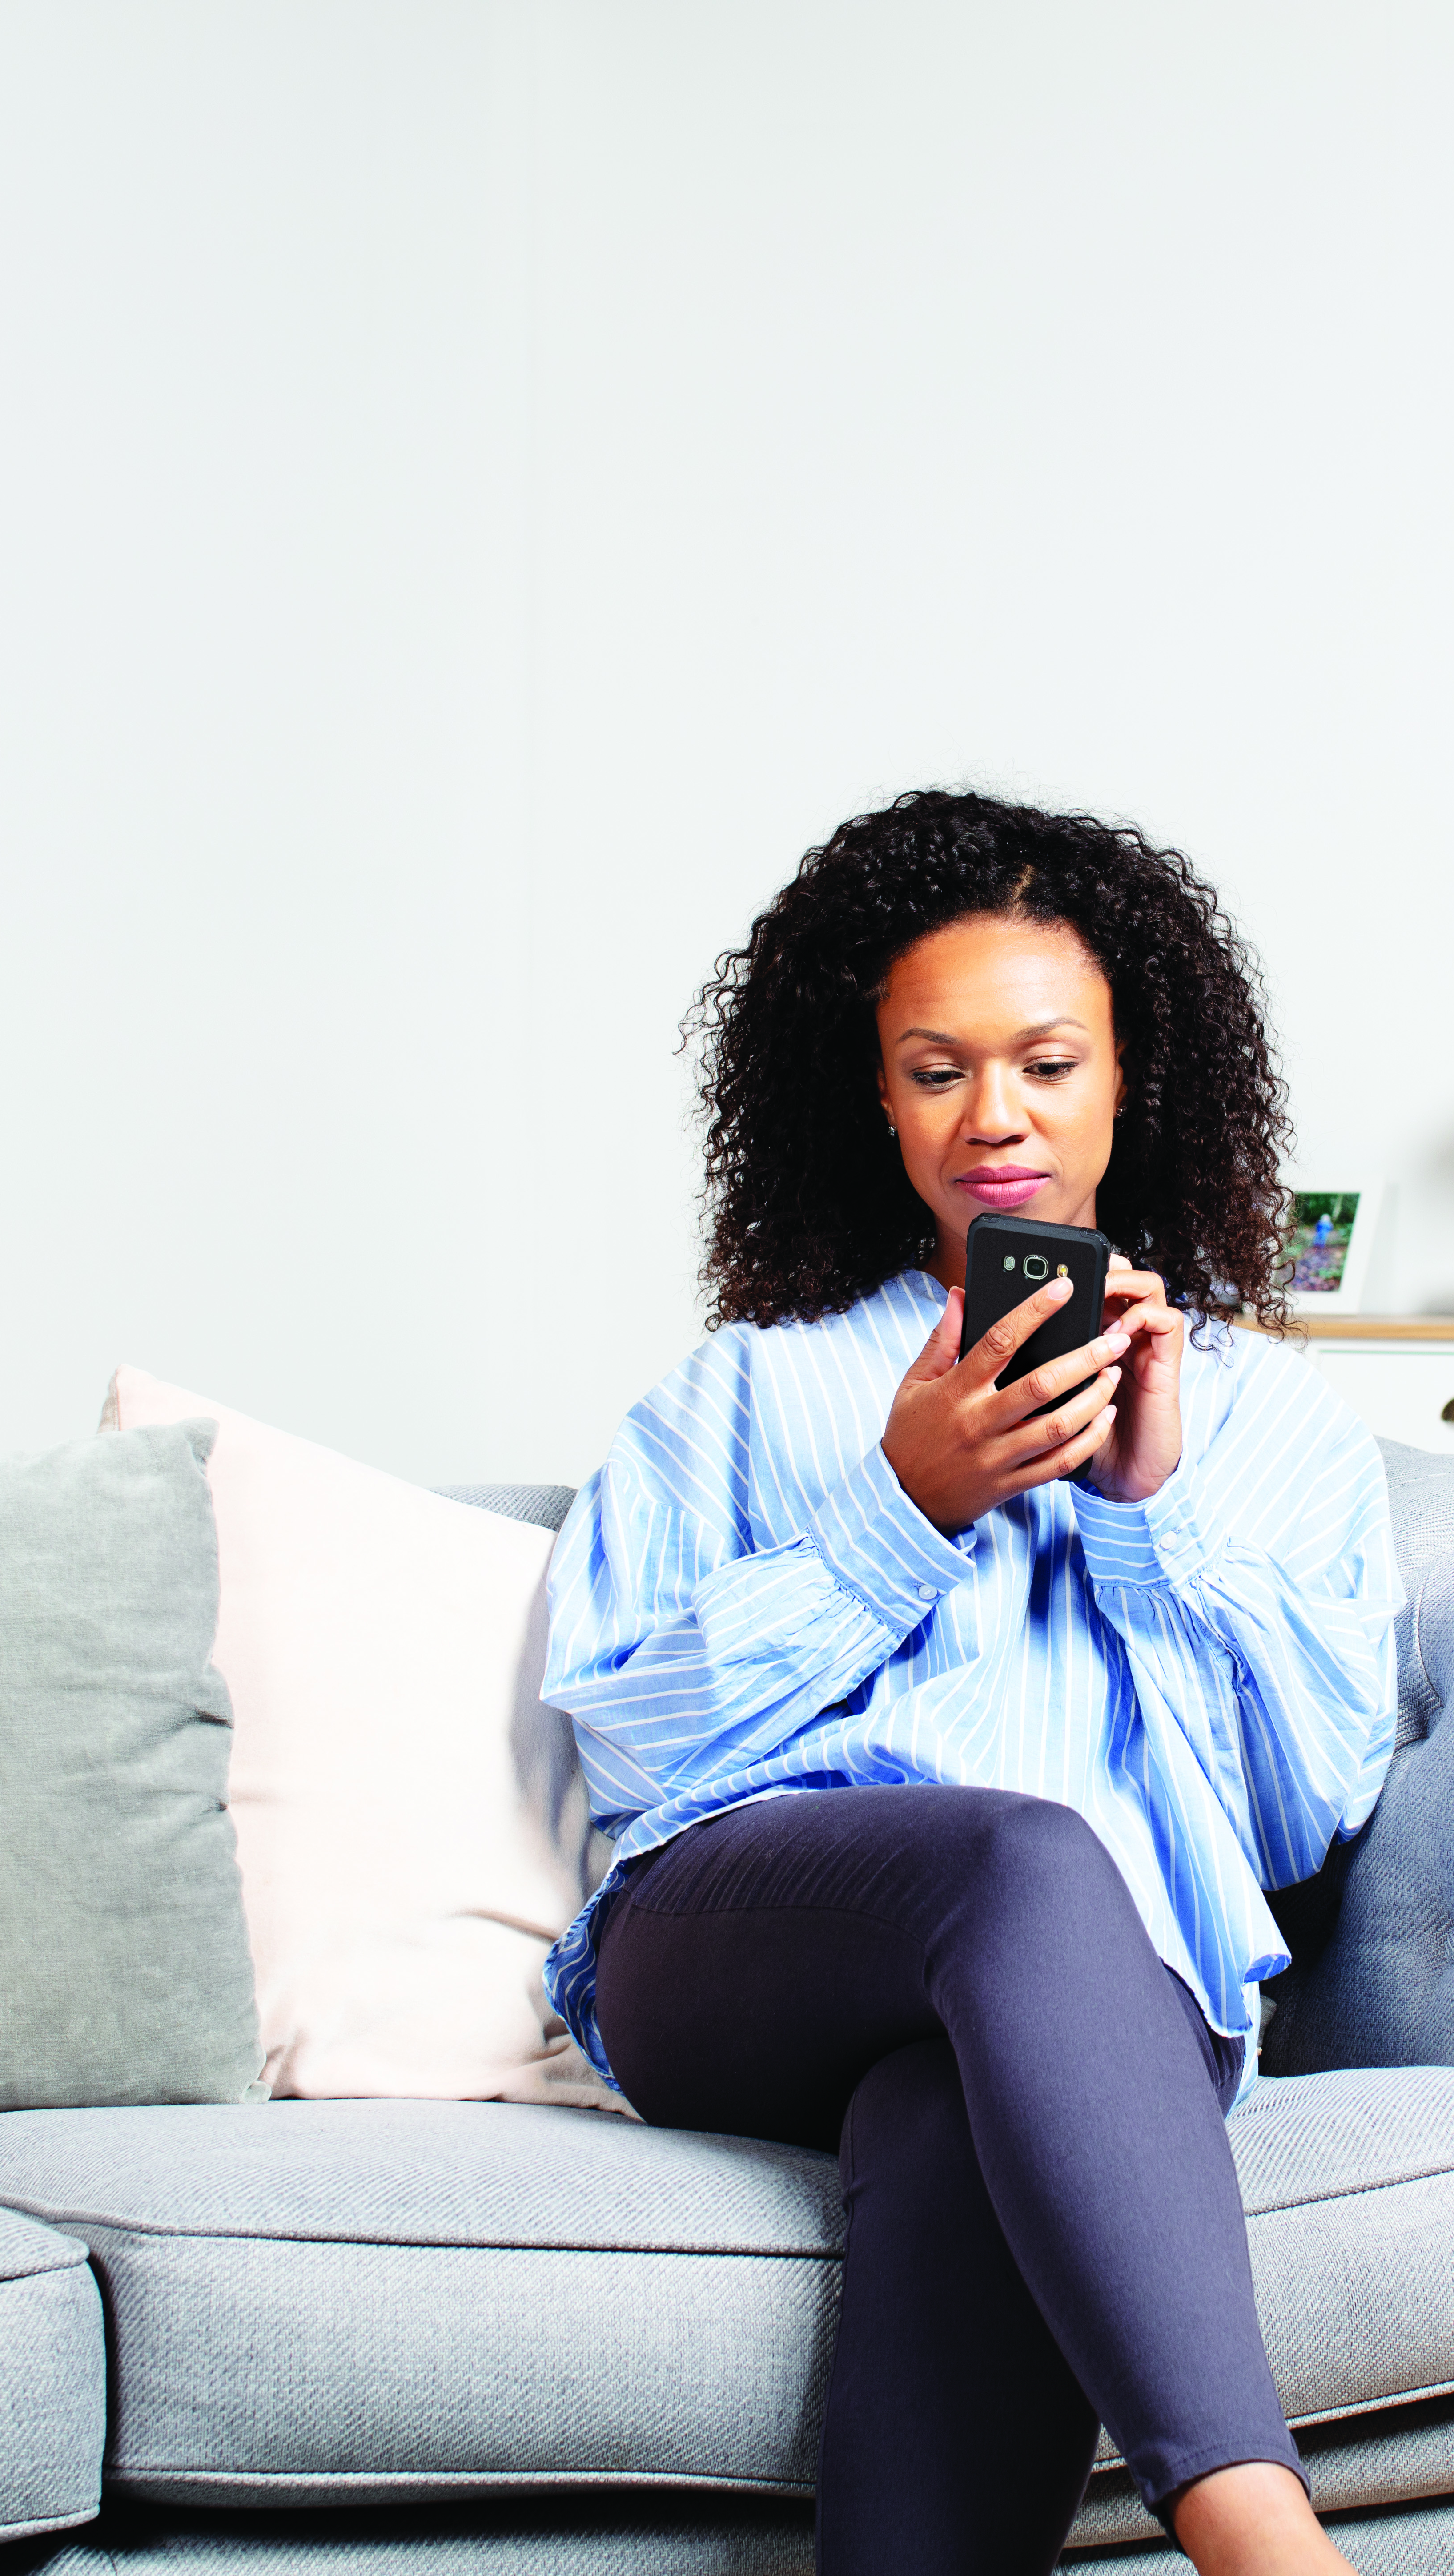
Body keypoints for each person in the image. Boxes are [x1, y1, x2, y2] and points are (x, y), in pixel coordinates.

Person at [542, 789, 1398, 2576]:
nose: (994, 1116)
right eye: (938, 1068)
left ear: (1126, 1075)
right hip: (729, 1950)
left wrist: (1150, 1517)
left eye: (1045, 1061)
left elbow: (1312, 1799)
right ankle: (1265, 2533)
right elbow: (624, 1736)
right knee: (1017, 1851)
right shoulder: (752, 1390)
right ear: (873, 1095)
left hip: (1083, 2008)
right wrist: (902, 1507)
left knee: (956, 2119)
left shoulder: (1276, 1431)